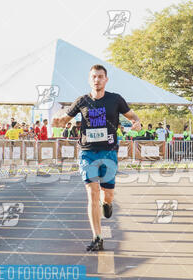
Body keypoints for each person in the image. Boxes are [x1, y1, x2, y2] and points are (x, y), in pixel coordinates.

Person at [52, 64, 141, 252]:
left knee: (107, 195)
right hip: (87, 152)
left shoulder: (115, 99)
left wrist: (137, 123)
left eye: (100, 76)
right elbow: (63, 120)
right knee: (92, 193)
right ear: (89, 79)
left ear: (106, 79)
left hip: (108, 152)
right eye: (94, 76)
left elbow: (132, 116)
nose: (97, 80)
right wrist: (57, 120)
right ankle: (97, 237)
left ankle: (107, 204)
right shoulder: (82, 101)